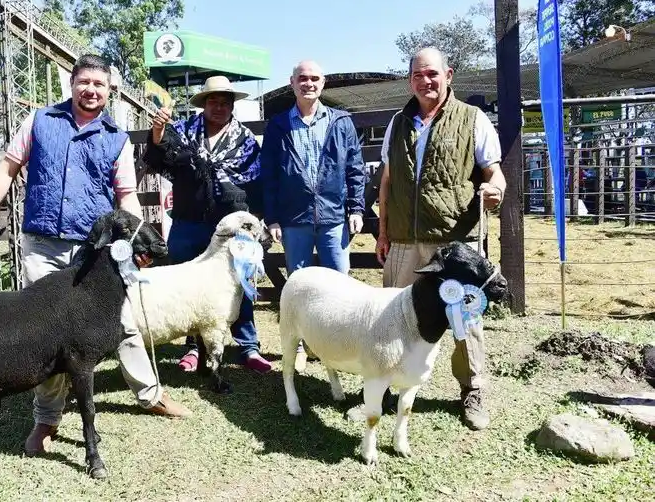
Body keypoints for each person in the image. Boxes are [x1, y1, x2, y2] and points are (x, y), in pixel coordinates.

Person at [0, 54, 191, 457]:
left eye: (99, 84)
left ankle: (150, 394)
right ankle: (47, 418)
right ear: (71, 84)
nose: (91, 90)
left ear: (110, 91)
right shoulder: (39, 122)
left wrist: (138, 243)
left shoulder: (117, 137)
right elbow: (5, 171)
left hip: (98, 251)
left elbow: (125, 197)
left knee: (122, 323)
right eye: (84, 82)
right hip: (44, 243)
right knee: (44, 331)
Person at [375, 46, 506, 431]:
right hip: (402, 240)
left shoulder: (473, 119)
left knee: (466, 320)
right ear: (410, 79)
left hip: (454, 245)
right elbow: (386, 181)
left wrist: (495, 189)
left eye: (432, 74)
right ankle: (383, 384)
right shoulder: (398, 122)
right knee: (392, 317)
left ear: (448, 75)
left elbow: (493, 173)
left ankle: (473, 389)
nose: (425, 81)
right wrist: (382, 233)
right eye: (417, 75)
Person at [144, 75, 272, 374]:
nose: (219, 107)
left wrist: (257, 221)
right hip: (189, 220)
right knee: (187, 285)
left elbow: (256, 183)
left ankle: (248, 347)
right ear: (203, 104)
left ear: (232, 106)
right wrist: (159, 129)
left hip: (231, 227)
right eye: (213, 101)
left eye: (225, 102)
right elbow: (157, 157)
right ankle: (193, 347)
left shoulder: (245, 141)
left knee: (239, 283)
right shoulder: (184, 132)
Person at [260, 60, 366, 372]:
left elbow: (354, 168)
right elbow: (269, 176)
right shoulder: (278, 125)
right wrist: (273, 218)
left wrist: (357, 208)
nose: (309, 83)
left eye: (315, 78)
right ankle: (305, 346)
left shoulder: (340, 121)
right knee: (300, 286)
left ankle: (342, 346)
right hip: (294, 220)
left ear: (324, 83)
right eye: (302, 78)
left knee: (340, 284)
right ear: (292, 83)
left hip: (334, 217)